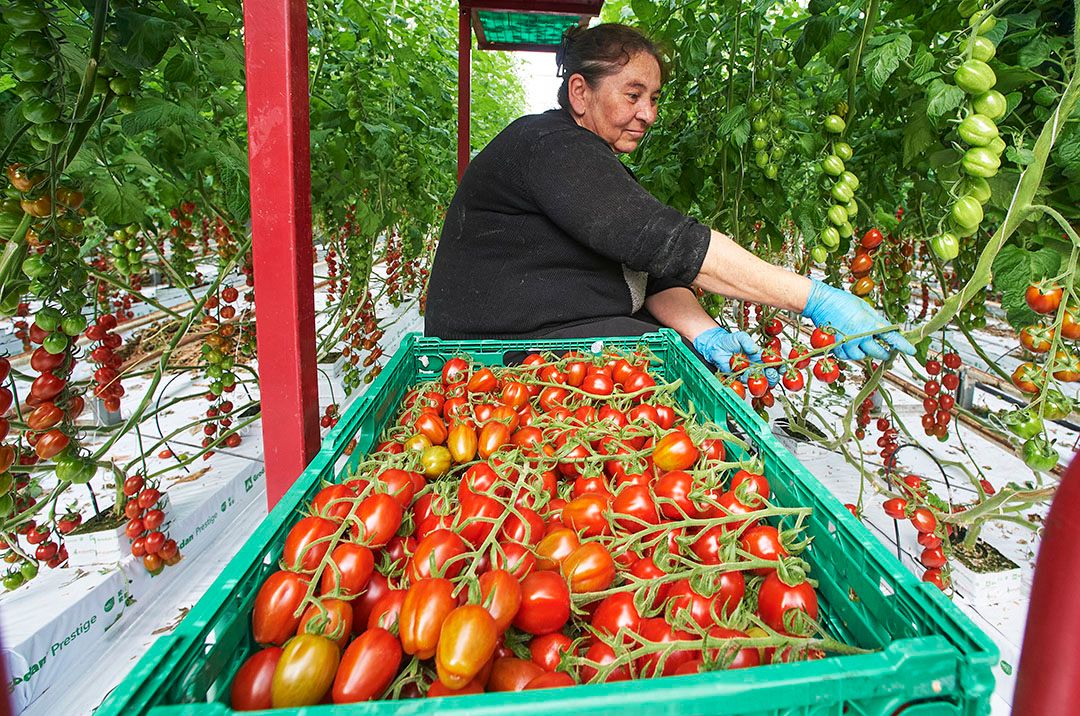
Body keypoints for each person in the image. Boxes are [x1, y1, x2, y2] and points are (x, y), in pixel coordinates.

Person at [425, 23, 914, 372]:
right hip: (493, 359)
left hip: (559, 344)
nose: (648, 114)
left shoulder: (591, 160)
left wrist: (706, 334)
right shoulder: (551, 148)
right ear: (580, 93)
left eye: (654, 98)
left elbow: (655, 273)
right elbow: (665, 244)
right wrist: (815, 299)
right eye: (632, 94)